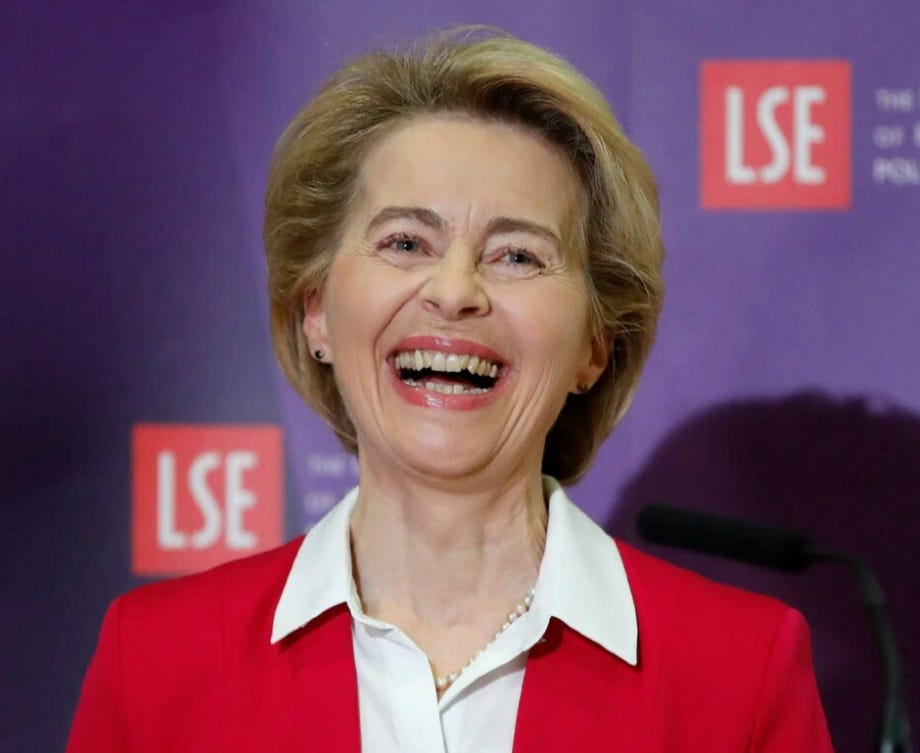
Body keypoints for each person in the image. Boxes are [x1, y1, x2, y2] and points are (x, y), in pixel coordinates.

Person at [67, 29, 834, 752]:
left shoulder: (739, 673)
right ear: (316, 310)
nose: (456, 289)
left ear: (594, 346)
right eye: (405, 242)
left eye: (517, 256)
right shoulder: (157, 660)